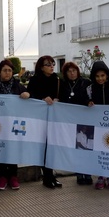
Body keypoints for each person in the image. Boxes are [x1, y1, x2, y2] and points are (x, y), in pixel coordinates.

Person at [0, 59, 30, 190]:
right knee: (1, 148)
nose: (7, 73)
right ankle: (2, 176)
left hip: (14, 124)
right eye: (5, 70)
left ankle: (13, 176)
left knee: (13, 148)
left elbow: (28, 98)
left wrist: (27, 94)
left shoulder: (17, 85)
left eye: (10, 70)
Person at [27, 55, 62, 189]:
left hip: (53, 118)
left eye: (53, 64)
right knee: (44, 147)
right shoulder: (35, 80)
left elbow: (61, 95)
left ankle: (51, 175)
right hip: (40, 119)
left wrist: (58, 99)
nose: (52, 66)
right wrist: (42, 99)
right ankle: (46, 176)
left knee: (52, 146)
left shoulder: (57, 79)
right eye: (48, 64)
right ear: (41, 67)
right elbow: (30, 96)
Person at [87, 61, 109, 190]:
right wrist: (88, 102)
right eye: (97, 76)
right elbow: (86, 99)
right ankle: (100, 176)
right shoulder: (90, 88)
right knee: (99, 150)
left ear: (107, 75)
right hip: (97, 125)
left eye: (103, 75)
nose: (100, 78)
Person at [58, 62, 93, 185]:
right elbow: (60, 99)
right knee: (76, 147)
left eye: (74, 70)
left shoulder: (86, 82)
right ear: (65, 73)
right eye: (69, 71)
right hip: (70, 121)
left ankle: (88, 174)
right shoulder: (62, 84)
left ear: (78, 71)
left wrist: (89, 102)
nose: (72, 73)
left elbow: (90, 97)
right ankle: (79, 174)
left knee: (86, 147)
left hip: (85, 121)